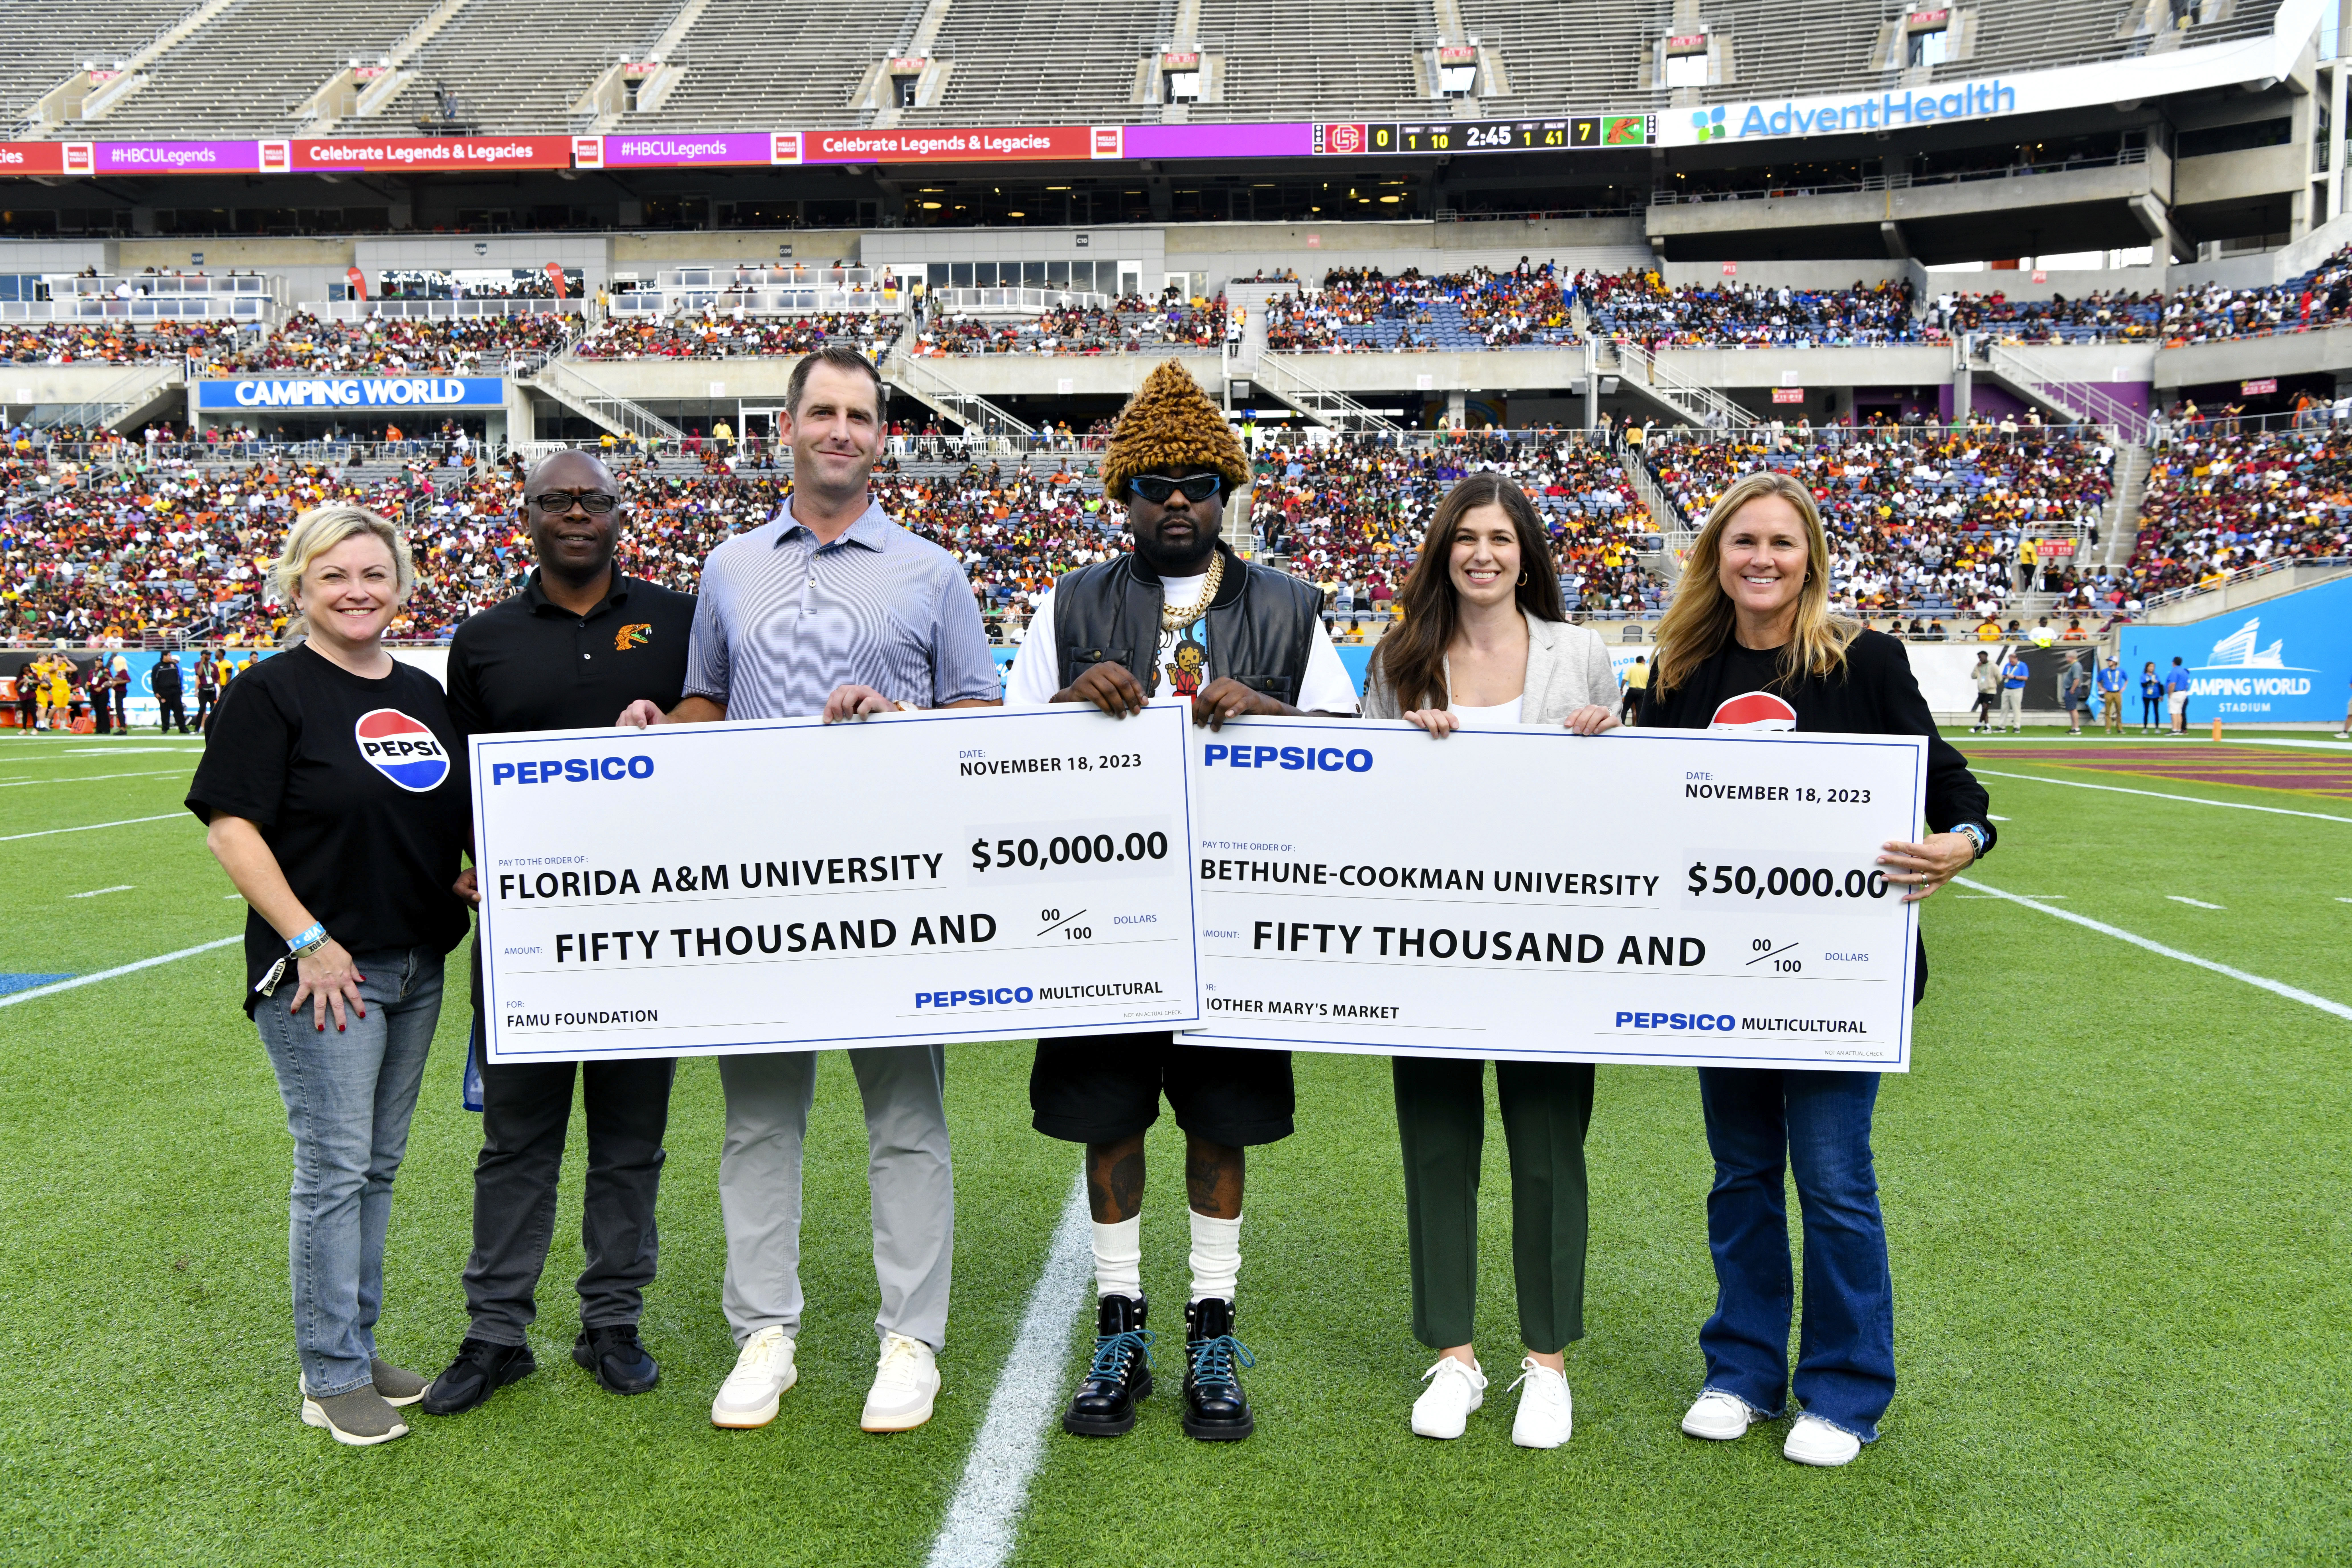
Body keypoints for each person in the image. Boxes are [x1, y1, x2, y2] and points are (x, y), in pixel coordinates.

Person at [617, 344, 1001, 1435]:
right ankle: (764, 1333)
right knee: (757, 1123)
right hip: (761, 894)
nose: (841, 430)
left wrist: (898, 717)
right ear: (785, 427)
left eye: (861, 416)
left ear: (882, 437)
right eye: (822, 412)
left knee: (907, 1121)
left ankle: (910, 1338)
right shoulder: (729, 565)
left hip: (896, 889)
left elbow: (980, 719)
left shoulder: (932, 570)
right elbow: (709, 703)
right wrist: (657, 726)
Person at [1003, 362, 1356, 1443]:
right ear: (1122, 494)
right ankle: (1120, 1325)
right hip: (1103, 916)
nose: (1174, 501)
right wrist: (1067, 703)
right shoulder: (1067, 603)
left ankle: (1211, 1326)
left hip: (1233, 920)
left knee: (1220, 1123)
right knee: (1108, 1121)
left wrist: (1273, 711)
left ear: (1225, 493)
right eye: (1153, 484)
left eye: (1196, 484)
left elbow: (1352, 764)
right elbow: (1001, 758)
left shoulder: (1290, 607)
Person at [1633, 469, 1996, 1468]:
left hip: (1837, 973)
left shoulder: (1863, 659)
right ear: (1715, 555)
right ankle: (1741, 1370)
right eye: (1742, 541)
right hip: (1720, 969)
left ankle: (1843, 1391)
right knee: (1742, 1174)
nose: (1761, 559)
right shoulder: (1678, 669)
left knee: (1833, 1181)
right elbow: (1636, 803)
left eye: (1781, 543)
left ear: (1810, 559)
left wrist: (1963, 840)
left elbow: (1951, 786)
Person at [185, 505, 471, 1447]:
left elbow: (419, 816)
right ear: (298, 587)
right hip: (325, 975)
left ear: (401, 587)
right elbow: (232, 830)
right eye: (334, 575)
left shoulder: (423, 693)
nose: (357, 591)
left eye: (374, 574)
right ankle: (331, 1373)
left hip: (416, 962)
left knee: (376, 1166)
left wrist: (451, 875)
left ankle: (356, 1345)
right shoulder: (269, 692)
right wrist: (309, 940)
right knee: (336, 1167)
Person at [422, 451, 699, 1419]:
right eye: (557, 500)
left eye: (594, 500)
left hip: (645, 928)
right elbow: (458, 776)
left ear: (621, 514)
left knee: (631, 1139)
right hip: (527, 935)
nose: (576, 513)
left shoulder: (678, 618)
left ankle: (610, 1322)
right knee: (516, 1141)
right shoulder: (483, 638)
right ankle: (496, 1333)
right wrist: (461, 859)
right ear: (528, 514)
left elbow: (718, 739)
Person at [1357, 474, 1619, 1451]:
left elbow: (1624, 801)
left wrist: (1610, 737)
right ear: (1443, 549)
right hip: (1429, 945)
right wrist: (1401, 745)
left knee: (1549, 1151)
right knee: (1436, 1147)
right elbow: (1356, 796)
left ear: (1525, 553)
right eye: (1466, 537)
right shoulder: (1400, 658)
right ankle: (1455, 1356)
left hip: (1551, 948)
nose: (1482, 554)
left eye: (1501, 538)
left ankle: (1546, 1365)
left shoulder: (1580, 654)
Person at [2056, 650, 2089, 736]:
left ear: (2071, 658)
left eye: (2067, 657)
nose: (2067, 659)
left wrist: (2073, 689)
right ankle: (2074, 728)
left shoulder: (2076, 666)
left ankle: (2077, 728)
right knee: (2071, 709)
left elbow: (2077, 679)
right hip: (2071, 689)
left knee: (2073, 709)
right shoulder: (2074, 666)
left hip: (2073, 690)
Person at [153, 652, 187, 734]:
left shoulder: (174, 666)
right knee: (165, 711)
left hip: (175, 692)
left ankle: (183, 728)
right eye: (169, 656)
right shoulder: (157, 667)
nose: (171, 657)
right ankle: (165, 728)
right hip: (164, 692)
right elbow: (154, 681)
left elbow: (178, 678)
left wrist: (180, 690)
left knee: (179, 710)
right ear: (164, 657)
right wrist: (156, 692)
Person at [1999, 646, 2030, 733]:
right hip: (2007, 689)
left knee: (2016, 708)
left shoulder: (2022, 666)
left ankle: (2017, 727)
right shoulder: (2008, 665)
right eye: (2010, 661)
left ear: (2016, 659)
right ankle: (2001, 726)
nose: (2011, 663)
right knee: (2004, 708)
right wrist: (2005, 676)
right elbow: (2003, 675)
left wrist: (2014, 677)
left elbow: (2025, 678)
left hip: (2017, 689)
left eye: (2012, 661)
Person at [1969, 650, 2000, 732]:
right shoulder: (1979, 666)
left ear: (1986, 656)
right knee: (1984, 709)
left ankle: (1979, 725)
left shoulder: (1993, 666)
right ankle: (1987, 726)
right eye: (1979, 658)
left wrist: (1993, 684)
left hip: (1990, 690)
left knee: (1985, 708)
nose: (1980, 659)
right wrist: (1977, 667)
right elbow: (1973, 676)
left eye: (1981, 657)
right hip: (1982, 690)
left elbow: (1999, 678)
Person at [2097, 654, 2126, 735]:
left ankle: (2120, 728)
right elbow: (2098, 680)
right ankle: (2108, 729)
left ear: (2115, 663)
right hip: (2108, 693)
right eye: (2109, 661)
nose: (2109, 662)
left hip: (2117, 693)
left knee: (2119, 711)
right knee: (2108, 712)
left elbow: (2127, 679)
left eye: (2110, 661)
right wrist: (2102, 688)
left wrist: (2124, 688)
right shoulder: (2104, 672)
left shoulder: (2121, 671)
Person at [195, 650, 220, 734]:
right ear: (203, 655)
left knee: (214, 709)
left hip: (212, 690)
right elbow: (199, 674)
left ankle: (214, 728)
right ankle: (197, 728)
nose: (210, 656)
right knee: (202, 709)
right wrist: (202, 662)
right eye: (207, 655)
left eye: (210, 654)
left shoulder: (214, 665)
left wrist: (220, 691)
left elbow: (218, 679)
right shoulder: (198, 664)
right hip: (203, 690)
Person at [1619, 653, 1650, 723]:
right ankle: (1639, 726)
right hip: (1642, 692)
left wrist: (1622, 689)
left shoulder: (1632, 669)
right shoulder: (1647, 670)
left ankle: (1622, 724)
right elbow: (1649, 683)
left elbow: (1625, 680)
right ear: (1643, 661)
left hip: (1632, 691)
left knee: (1625, 709)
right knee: (1640, 711)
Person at [2165, 656, 2192, 734]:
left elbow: (2173, 684)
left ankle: (2175, 729)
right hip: (2183, 693)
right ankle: (2180, 729)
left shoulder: (2174, 671)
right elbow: (2187, 685)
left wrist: (2170, 694)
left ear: (2173, 663)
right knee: (2179, 712)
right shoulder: (2184, 672)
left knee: (2174, 712)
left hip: (2176, 693)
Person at [2138, 660, 2164, 734]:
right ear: (2147, 668)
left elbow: (2160, 685)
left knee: (2156, 711)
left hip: (2156, 695)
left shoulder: (2156, 676)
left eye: (2153, 667)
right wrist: (2151, 681)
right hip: (2146, 696)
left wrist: (2162, 695)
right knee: (2147, 711)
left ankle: (2157, 728)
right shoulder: (2144, 676)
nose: (2152, 668)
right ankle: (2145, 728)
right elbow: (2143, 685)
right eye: (2150, 667)